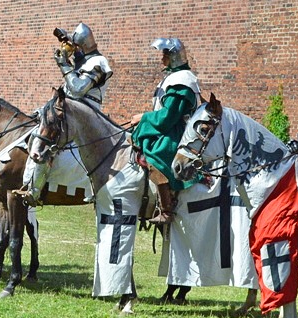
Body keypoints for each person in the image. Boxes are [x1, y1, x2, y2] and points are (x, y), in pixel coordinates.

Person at [19, 23, 113, 205]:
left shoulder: (99, 63)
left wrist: (63, 64)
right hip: (69, 111)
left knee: (46, 141)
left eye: (75, 45)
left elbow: (78, 89)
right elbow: (78, 63)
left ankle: (34, 191)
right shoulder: (85, 61)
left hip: (84, 114)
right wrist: (65, 42)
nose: (73, 48)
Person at [130, 38, 201, 225]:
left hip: (177, 132)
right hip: (168, 128)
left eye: (165, 54)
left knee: (155, 153)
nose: (162, 58)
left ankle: (167, 207)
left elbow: (168, 117)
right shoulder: (174, 77)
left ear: (174, 57)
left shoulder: (183, 81)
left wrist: (143, 118)